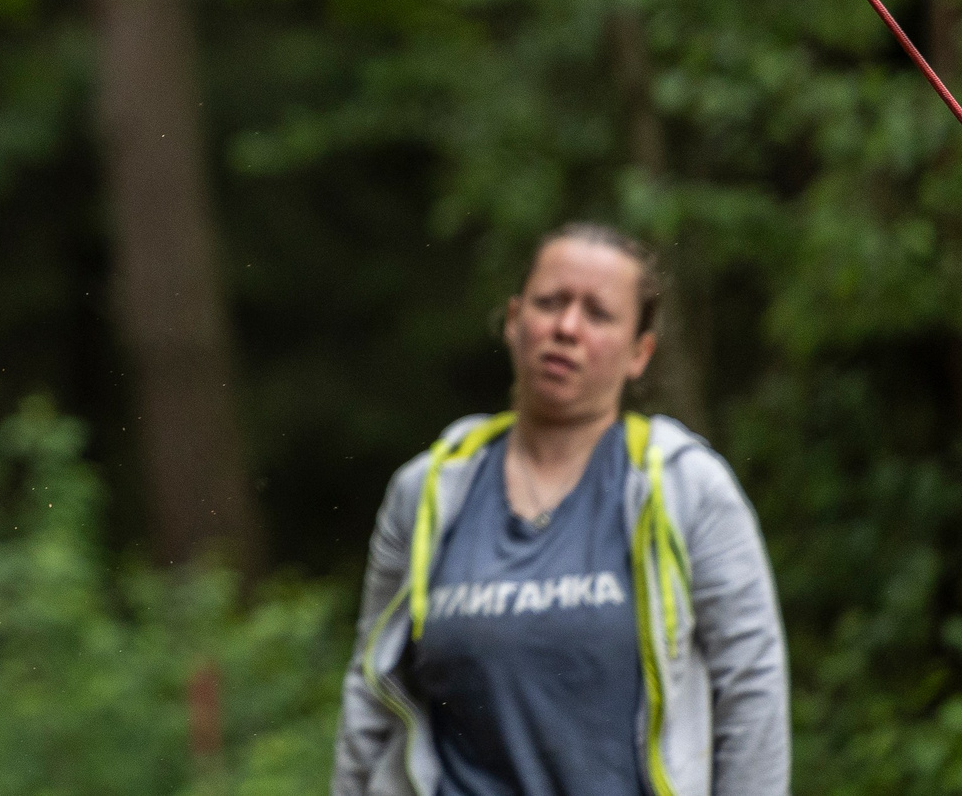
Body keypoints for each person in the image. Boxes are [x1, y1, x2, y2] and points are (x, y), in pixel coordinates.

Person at [332, 224, 789, 796]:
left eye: (598, 314)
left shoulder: (685, 487)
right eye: (550, 303)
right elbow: (371, 691)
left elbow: (751, 687)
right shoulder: (427, 490)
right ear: (513, 320)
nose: (566, 328)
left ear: (639, 353)